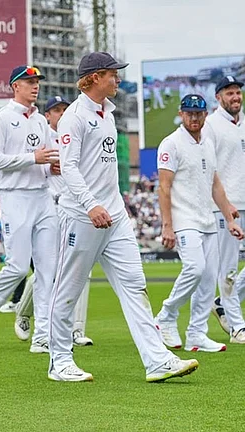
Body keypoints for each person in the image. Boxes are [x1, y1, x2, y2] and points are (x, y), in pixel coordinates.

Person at [49, 51, 199, 382]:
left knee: (135, 285)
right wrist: (90, 204)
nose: (118, 79)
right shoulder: (74, 116)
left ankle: (157, 360)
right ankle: (59, 361)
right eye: (112, 74)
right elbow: (69, 166)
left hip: (114, 215)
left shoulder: (107, 114)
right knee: (69, 290)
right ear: (93, 78)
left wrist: (115, 205)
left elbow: (103, 169)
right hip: (81, 216)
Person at [0, 65, 59, 354]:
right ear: (14, 86)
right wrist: (33, 158)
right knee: (19, 267)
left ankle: (42, 336)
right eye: (29, 82)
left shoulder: (41, 122)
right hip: (15, 197)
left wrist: (50, 166)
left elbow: (47, 159)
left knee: (48, 270)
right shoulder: (1, 118)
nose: (35, 86)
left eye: (37, 82)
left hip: (43, 197)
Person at [154, 94, 243, 353]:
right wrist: (167, 225)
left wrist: (229, 218)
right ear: (181, 114)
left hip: (207, 219)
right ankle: (165, 316)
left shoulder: (207, 142)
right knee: (194, 269)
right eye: (189, 113)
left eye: (199, 113)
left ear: (206, 115)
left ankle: (197, 334)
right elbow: (164, 187)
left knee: (207, 279)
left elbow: (215, 184)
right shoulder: (171, 143)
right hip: (184, 220)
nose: (194, 118)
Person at [12, 96, 94, 347]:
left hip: (77, 205)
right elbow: (29, 167)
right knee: (51, 268)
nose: (61, 114)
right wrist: (48, 167)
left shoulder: (76, 132)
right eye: (56, 110)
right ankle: (24, 311)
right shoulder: (41, 135)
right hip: (51, 204)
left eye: (64, 110)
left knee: (83, 267)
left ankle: (76, 329)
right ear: (47, 115)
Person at [204, 76, 245, 343]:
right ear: (219, 97)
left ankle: (222, 303)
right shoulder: (210, 125)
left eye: (238, 93)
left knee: (231, 272)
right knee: (228, 267)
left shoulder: (243, 123)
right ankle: (237, 326)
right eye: (230, 93)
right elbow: (208, 168)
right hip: (226, 206)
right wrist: (225, 204)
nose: (236, 97)